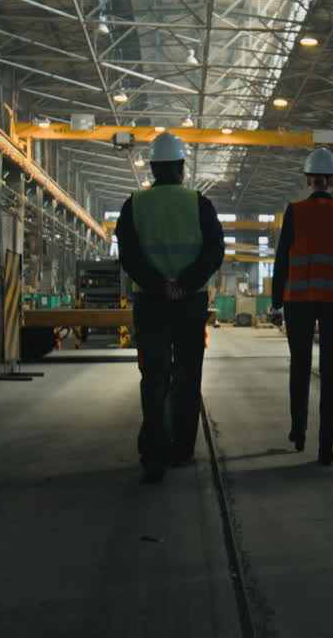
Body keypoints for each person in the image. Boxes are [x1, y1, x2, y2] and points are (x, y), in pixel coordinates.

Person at [115, 133, 224, 483]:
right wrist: (185, 284)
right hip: (189, 305)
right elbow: (214, 252)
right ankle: (182, 449)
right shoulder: (200, 203)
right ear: (180, 167)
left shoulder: (134, 204)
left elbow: (129, 256)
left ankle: (154, 453)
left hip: (150, 303)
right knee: (188, 377)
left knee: (155, 378)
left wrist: (158, 285)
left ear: (152, 167)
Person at [270, 148, 333, 466]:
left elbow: (282, 258)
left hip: (299, 301)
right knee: (331, 371)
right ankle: (327, 445)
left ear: (308, 180)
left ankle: (299, 429)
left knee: (300, 366)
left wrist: (276, 302)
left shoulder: (294, 211)